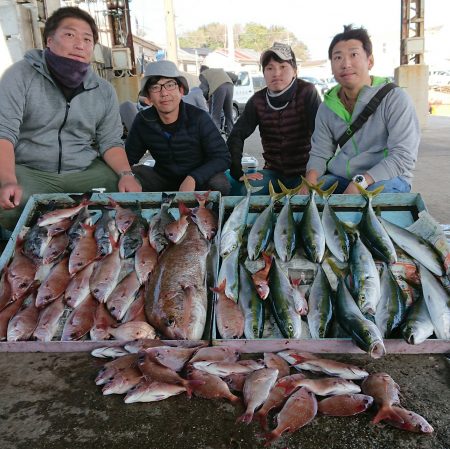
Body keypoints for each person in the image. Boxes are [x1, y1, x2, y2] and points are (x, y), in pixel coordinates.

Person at [0, 6, 141, 232]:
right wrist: (7, 179)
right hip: (30, 169)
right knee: (9, 199)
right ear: (49, 40)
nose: (79, 44)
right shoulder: (20, 75)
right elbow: (3, 133)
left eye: (87, 39)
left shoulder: (103, 89)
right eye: (69, 35)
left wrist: (126, 174)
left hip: (83, 171)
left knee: (124, 193)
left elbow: (111, 141)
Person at [304, 25, 420, 194]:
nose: (345, 64)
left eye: (354, 55)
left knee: (363, 203)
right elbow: (320, 152)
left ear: (370, 61)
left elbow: (403, 156)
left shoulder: (395, 98)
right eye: (338, 57)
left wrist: (361, 182)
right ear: (331, 66)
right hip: (343, 177)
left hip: (388, 178)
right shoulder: (327, 107)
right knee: (312, 196)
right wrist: (310, 181)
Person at [227, 42, 322, 195]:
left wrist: (312, 174)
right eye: (270, 68)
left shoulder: (307, 92)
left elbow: (322, 137)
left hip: (305, 173)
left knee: (312, 201)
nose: (276, 73)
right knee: (248, 192)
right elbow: (236, 135)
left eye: (283, 67)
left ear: (295, 71)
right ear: (263, 72)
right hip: (274, 173)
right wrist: (237, 171)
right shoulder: (258, 100)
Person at [125, 60, 231, 194]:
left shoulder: (199, 118)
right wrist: (126, 176)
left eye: (170, 85)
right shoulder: (143, 121)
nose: (164, 93)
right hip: (162, 179)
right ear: (148, 97)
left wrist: (193, 178)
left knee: (219, 183)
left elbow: (222, 157)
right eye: (155, 87)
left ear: (181, 90)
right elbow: (128, 158)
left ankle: (209, 214)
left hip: (198, 180)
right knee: (129, 176)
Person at [199, 65, 235, 135]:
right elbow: (235, 76)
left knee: (215, 116)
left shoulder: (203, 74)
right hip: (230, 86)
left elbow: (204, 90)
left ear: (201, 71)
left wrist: (207, 98)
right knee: (229, 114)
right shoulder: (218, 70)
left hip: (219, 88)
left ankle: (215, 138)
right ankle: (231, 136)